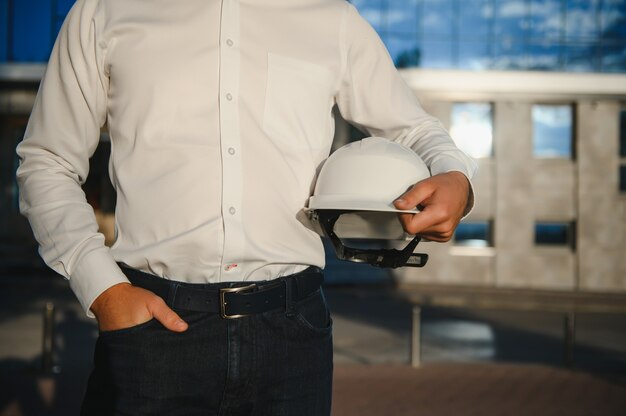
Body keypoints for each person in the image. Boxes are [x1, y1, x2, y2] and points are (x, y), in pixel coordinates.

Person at [16, 0, 476, 414]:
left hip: (293, 334)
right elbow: (47, 160)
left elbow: (415, 130)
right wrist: (104, 291)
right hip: (152, 328)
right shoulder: (103, 9)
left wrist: (456, 177)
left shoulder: (332, 17)